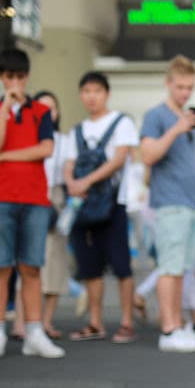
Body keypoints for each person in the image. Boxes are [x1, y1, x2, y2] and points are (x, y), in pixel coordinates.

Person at [0, 48, 63, 361]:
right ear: (1, 77)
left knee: (31, 266)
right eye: (9, 77)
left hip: (35, 198)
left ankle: (34, 332)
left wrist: (2, 158)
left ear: (27, 78)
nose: (15, 83)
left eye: (20, 77)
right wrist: (5, 111)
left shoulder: (41, 111)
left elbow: (45, 149)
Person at [140, 54, 195, 353]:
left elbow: (194, 166)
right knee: (169, 268)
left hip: (190, 205)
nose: (185, 93)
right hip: (168, 204)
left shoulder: (189, 120)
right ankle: (168, 329)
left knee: (180, 268)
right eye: (180, 87)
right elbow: (147, 156)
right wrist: (175, 129)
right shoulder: (156, 116)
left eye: (189, 88)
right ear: (168, 84)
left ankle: (178, 325)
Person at [62, 71, 140, 345]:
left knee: (122, 265)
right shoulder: (77, 130)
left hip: (113, 205)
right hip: (84, 207)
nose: (91, 97)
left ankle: (127, 321)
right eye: (86, 91)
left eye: (96, 91)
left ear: (106, 94)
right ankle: (95, 322)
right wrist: (71, 182)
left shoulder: (121, 123)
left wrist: (85, 181)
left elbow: (119, 159)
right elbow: (68, 163)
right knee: (89, 266)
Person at [32, 90, 70, 341]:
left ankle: (45, 322)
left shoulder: (65, 141)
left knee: (55, 262)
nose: (47, 113)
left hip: (55, 198)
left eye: (52, 109)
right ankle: (25, 323)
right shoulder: (25, 139)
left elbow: (69, 173)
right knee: (28, 262)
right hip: (30, 194)